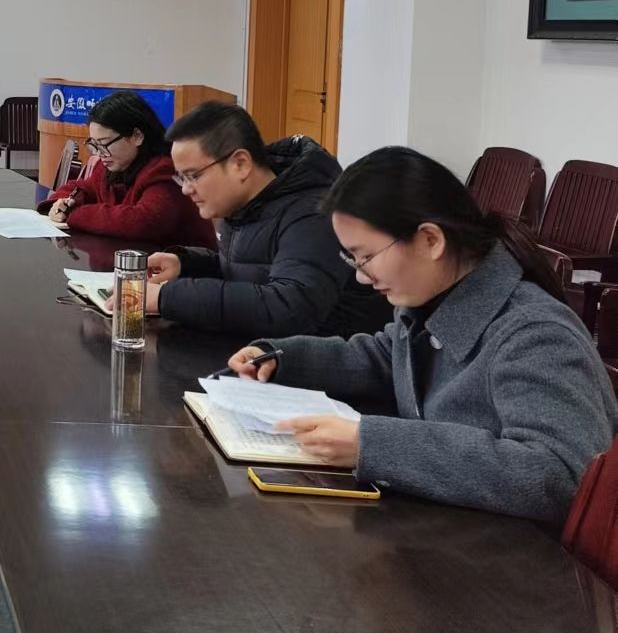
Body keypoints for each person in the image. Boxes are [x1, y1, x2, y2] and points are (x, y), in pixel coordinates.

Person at [226, 147, 618, 523]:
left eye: (366, 256)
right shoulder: (432, 298)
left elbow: (559, 474)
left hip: (525, 558)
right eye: (353, 259)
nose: (361, 276)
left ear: (431, 240)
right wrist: (282, 357)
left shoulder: (535, 334)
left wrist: (371, 445)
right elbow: (387, 358)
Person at [146, 102, 391, 336]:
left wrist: (166, 297)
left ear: (240, 164)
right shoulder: (243, 205)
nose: (185, 189)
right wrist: (186, 265)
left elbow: (289, 307)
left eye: (193, 176)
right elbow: (250, 270)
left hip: (325, 358)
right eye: (181, 178)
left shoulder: (312, 213)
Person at [37, 90, 214, 245]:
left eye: (104, 144)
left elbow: (143, 222)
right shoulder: (110, 166)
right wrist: (61, 203)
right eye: (95, 145)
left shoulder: (164, 169)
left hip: (183, 267)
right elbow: (83, 188)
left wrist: (77, 214)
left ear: (137, 136)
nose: (99, 154)